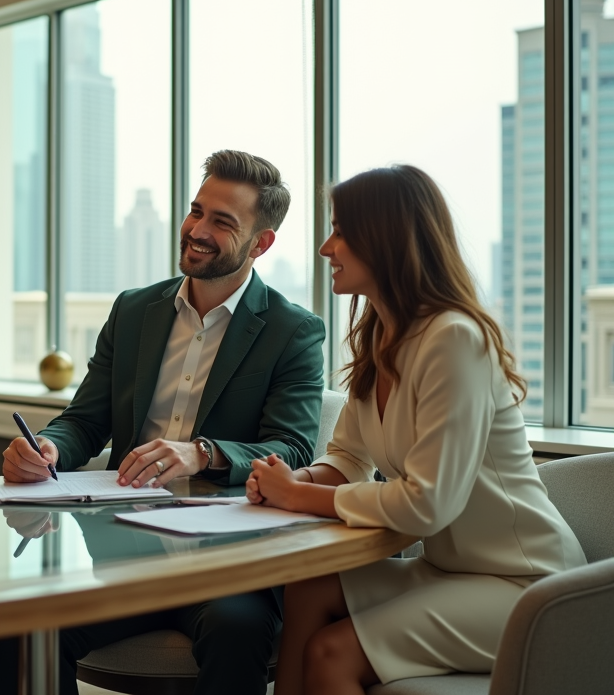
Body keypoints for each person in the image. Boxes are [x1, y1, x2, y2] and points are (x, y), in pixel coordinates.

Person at [245, 165, 586, 695]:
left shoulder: (455, 338)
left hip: (525, 582)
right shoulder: (382, 340)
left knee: (330, 653)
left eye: (340, 231)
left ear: (385, 240)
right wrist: (293, 480)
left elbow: (428, 504)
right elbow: (349, 458)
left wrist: (297, 498)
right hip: (450, 571)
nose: (325, 248)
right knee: (309, 585)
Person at [0, 150, 326, 695]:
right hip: (122, 548)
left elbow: (291, 447)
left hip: (230, 563)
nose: (197, 229)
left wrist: (203, 452)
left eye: (222, 222)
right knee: (17, 623)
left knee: (238, 631)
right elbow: (84, 420)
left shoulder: (293, 331)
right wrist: (49, 448)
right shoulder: (133, 310)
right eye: (196, 211)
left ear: (261, 243)